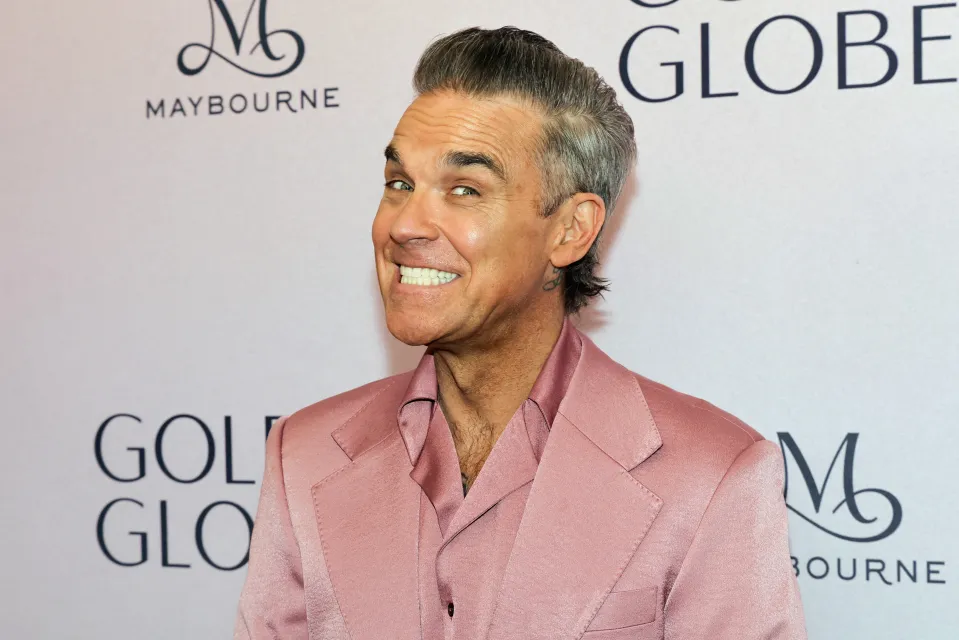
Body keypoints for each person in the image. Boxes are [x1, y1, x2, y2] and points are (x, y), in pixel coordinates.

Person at [234, 26, 806, 640]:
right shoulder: (303, 455)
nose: (404, 225)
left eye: (464, 190)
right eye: (399, 184)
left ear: (571, 229)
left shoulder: (712, 475)